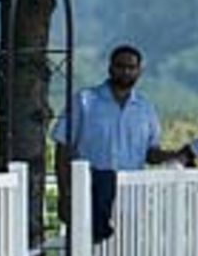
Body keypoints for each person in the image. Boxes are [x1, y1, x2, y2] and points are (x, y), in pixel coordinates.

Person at [53, 44, 189, 243]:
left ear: (139, 71)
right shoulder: (85, 102)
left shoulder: (145, 109)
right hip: (89, 197)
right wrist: (65, 193)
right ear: (110, 68)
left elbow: (150, 153)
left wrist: (176, 155)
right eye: (120, 66)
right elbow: (63, 148)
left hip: (130, 201)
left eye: (131, 67)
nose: (126, 71)